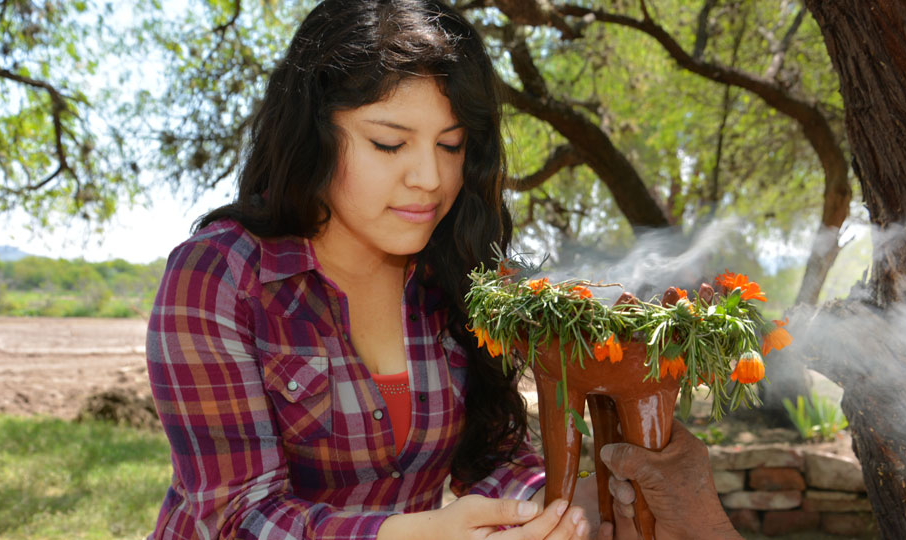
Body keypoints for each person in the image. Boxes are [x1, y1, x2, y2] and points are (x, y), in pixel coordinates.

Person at [145, 1, 741, 539]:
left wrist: (559, 512)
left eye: (451, 146)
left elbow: (495, 457)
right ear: (312, 137)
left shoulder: (455, 273)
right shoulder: (220, 277)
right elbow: (236, 518)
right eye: (389, 144)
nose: (430, 179)